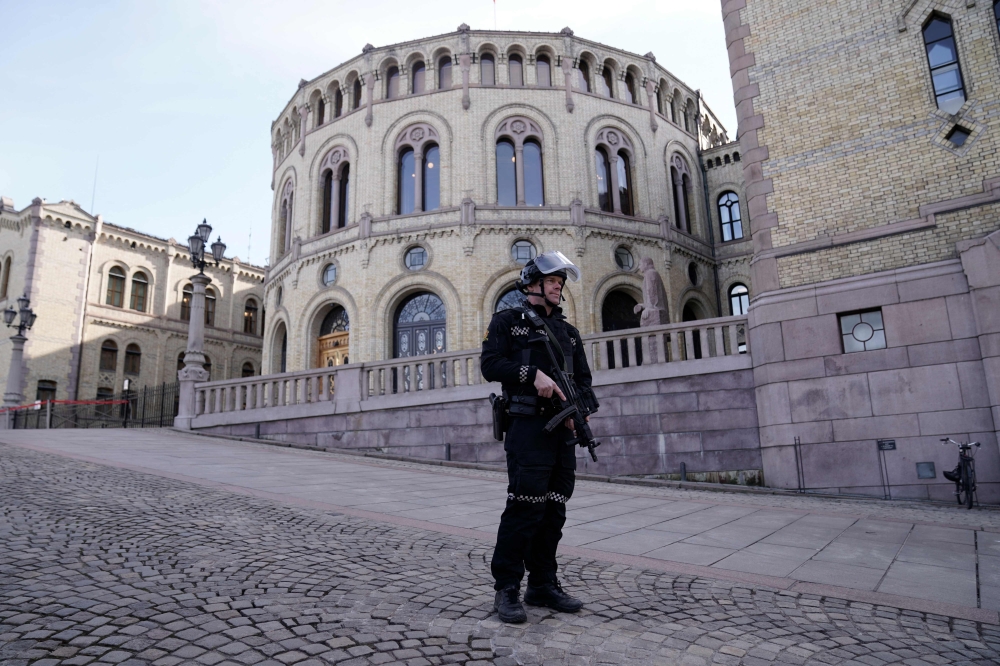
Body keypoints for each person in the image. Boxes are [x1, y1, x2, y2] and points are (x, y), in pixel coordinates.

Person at [480, 250, 597, 623]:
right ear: (532, 283)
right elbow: (489, 364)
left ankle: (543, 584)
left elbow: (584, 382)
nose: (558, 286)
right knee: (524, 508)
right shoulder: (507, 321)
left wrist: (579, 413)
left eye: (560, 282)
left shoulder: (570, 333)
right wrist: (531, 374)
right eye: (552, 281)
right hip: (527, 428)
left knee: (554, 509)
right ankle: (507, 589)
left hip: (562, 433)